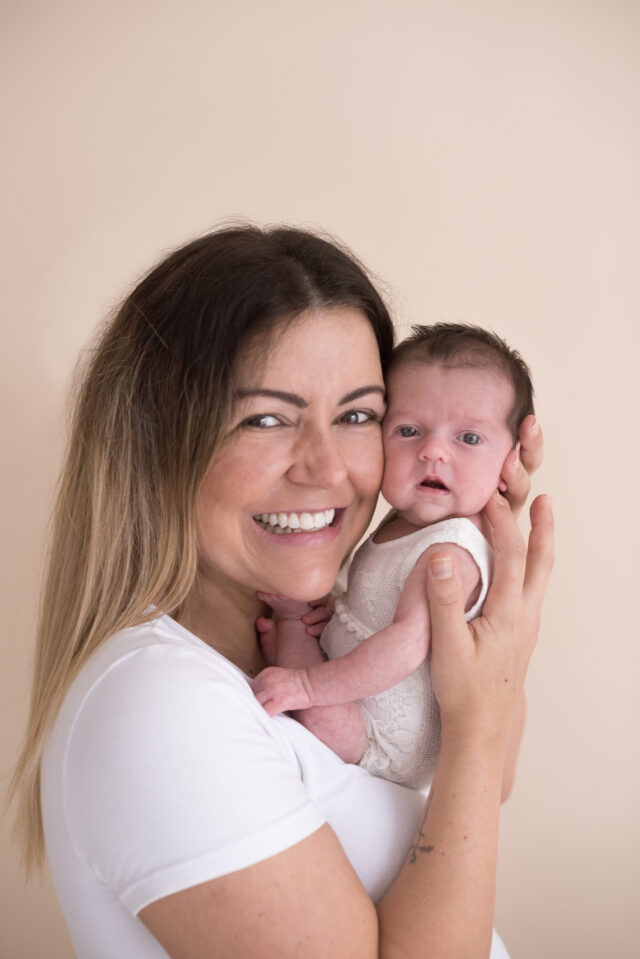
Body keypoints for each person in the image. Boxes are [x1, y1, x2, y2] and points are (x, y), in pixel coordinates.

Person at [10, 224, 552, 959]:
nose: (327, 468)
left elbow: (490, 775)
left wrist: (477, 563)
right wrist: (479, 722)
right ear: (157, 442)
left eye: (357, 415)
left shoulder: (319, 637)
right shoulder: (160, 707)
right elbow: (479, 753)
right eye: (266, 419)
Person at [252, 324, 534, 792]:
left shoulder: (451, 551)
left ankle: (293, 633)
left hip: (387, 736)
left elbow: (405, 646)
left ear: (511, 462)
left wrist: (309, 686)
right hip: (361, 683)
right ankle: (295, 632)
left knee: (315, 709)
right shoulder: (408, 518)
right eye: (408, 431)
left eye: (468, 438)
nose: (432, 451)